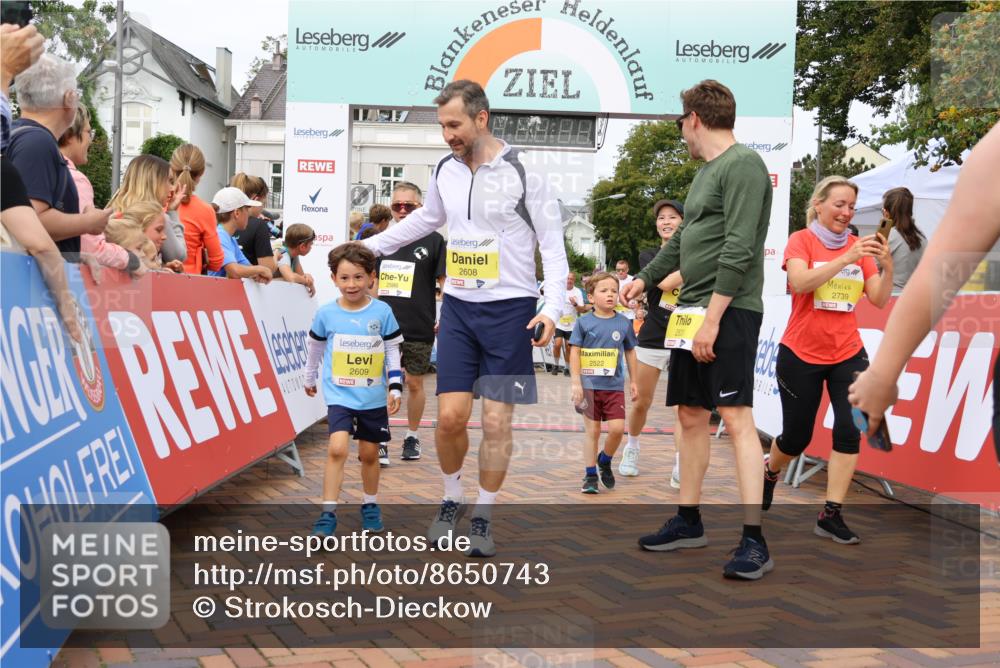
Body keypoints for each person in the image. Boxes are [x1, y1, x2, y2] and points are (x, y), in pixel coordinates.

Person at [362, 80, 568, 557]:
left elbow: (553, 249)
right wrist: (368, 246)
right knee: (451, 419)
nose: (447, 135)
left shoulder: (524, 173)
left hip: (511, 312)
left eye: (454, 124)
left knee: (496, 422)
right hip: (457, 308)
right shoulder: (445, 169)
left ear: (481, 118)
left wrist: (552, 308)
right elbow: (425, 220)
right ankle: (452, 497)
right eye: (442, 126)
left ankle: (484, 514)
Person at [624, 80, 774, 580]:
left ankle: (754, 540)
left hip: (728, 311)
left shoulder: (744, 164)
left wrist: (712, 318)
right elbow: (684, 241)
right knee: (690, 415)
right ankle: (688, 520)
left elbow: (740, 247)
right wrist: (644, 278)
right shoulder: (706, 173)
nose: (682, 133)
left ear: (694, 118)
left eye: (680, 123)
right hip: (690, 311)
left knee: (735, 417)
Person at [849, 123, 1000, 458]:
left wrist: (882, 374)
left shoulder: (885, 238)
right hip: (907, 305)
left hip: (897, 307)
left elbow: (940, 272)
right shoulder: (919, 237)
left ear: (887, 211)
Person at [760, 176, 893, 544]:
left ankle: (831, 514)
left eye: (852, 206)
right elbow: (800, 282)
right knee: (796, 437)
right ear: (818, 205)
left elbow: (879, 298)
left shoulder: (858, 247)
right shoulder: (801, 240)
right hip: (800, 353)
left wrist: (886, 265)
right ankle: (770, 471)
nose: (847, 212)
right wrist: (846, 258)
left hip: (848, 352)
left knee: (850, 429)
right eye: (840, 204)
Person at [303, 243, 404, 536]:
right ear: (333, 278)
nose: (352, 284)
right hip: (339, 395)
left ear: (371, 277)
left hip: (372, 397)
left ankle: (370, 504)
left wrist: (395, 386)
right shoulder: (326, 313)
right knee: (337, 449)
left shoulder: (382, 311)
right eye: (344, 278)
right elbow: (315, 347)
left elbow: (392, 349)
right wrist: (309, 377)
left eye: (358, 277)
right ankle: (328, 513)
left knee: (370, 455)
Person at [1, 21, 82, 343]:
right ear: (69, 97)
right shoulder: (37, 143)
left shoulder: (21, 139)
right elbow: (36, 234)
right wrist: (67, 304)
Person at [7, 53, 111, 259]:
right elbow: (31, 223)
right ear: (69, 98)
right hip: (26, 276)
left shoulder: (15, 135)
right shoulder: (38, 143)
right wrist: (88, 223)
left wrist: (77, 256)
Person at [372, 181, 447, 465]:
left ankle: (412, 436)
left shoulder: (435, 240)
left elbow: (445, 284)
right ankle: (380, 436)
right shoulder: (382, 240)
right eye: (397, 206)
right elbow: (373, 284)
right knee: (380, 383)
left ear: (421, 206)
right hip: (383, 328)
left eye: (409, 205)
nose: (402, 210)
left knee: (414, 382)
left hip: (419, 325)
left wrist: (446, 316)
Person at [620, 199, 685, 482]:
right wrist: (697, 266)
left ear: (684, 222)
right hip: (654, 336)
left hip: (686, 337)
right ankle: (632, 447)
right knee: (640, 402)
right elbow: (664, 282)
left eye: (673, 217)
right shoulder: (649, 256)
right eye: (661, 218)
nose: (666, 222)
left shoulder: (696, 252)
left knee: (684, 410)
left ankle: (681, 464)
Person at [570, 271, 638, 493]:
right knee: (593, 431)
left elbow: (630, 352)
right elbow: (575, 352)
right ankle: (590, 476)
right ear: (591, 297)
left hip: (613, 387)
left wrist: (634, 381)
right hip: (588, 387)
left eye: (614, 291)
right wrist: (576, 383)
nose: (610, 294)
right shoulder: (583, 322)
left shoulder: (624, 323)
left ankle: (605, 460)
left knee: (617, 429)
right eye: (604, 291)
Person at [107, 154, 188, 264]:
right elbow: (178, 256)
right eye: (169, 181)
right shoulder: (155, 217)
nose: (172, 188)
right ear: (154, 183)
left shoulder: (112, 213)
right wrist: (172, 212)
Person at [171, 144, 222, 275]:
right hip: (189, 280)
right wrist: (200, 256)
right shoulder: (205, 210)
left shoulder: (157, 203)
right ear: (202, 173)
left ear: (171, 169)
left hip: (155, 277)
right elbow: (216, 262)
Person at [207, 187, 272, 284]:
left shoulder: (230, 239)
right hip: (215, 291)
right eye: (247, 209)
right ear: (237, 213)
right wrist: (262, 270)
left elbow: (247, 267)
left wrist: (257, 272)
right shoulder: (220, 236)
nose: (248, 214)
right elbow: (234, 271)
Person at [881, 187, 925, 290]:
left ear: (886, 212)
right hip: (913, 294)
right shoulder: (922, 236)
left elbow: (873, 267)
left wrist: (884, 223)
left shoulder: (887, 235)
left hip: (890, 294)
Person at [231, 172, 276, 272]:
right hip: (246, 281)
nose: (262, 209)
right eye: (263, 203)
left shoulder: (224, 222)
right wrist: (276, 256)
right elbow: (267, 269)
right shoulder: (259, 225)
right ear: (256, 200)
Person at [122, 200, 185, 272]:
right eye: (159, 230)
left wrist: (163, 269)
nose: (165, 237)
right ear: (139, 229)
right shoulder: (123, 260)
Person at [552, 271, 590, 376]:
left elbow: (581, 309)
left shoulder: (577, 292)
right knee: (557, 344)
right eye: (568, 278)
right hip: (559, 323)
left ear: (574, 281)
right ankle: (556, 365)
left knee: (569, 347)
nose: (569, 281)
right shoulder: (560, 290)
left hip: (571, 325)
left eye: (571, 279)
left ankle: (567, 368)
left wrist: (575, 304)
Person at [275, 223, 316, 294]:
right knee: (286, 279)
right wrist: (306, 280)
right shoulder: (283, 253)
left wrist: (307, 279)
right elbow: (291, 278)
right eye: (311, 244)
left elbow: (300, 276)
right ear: (302, 246)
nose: (311, 247)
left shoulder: (294, 253)